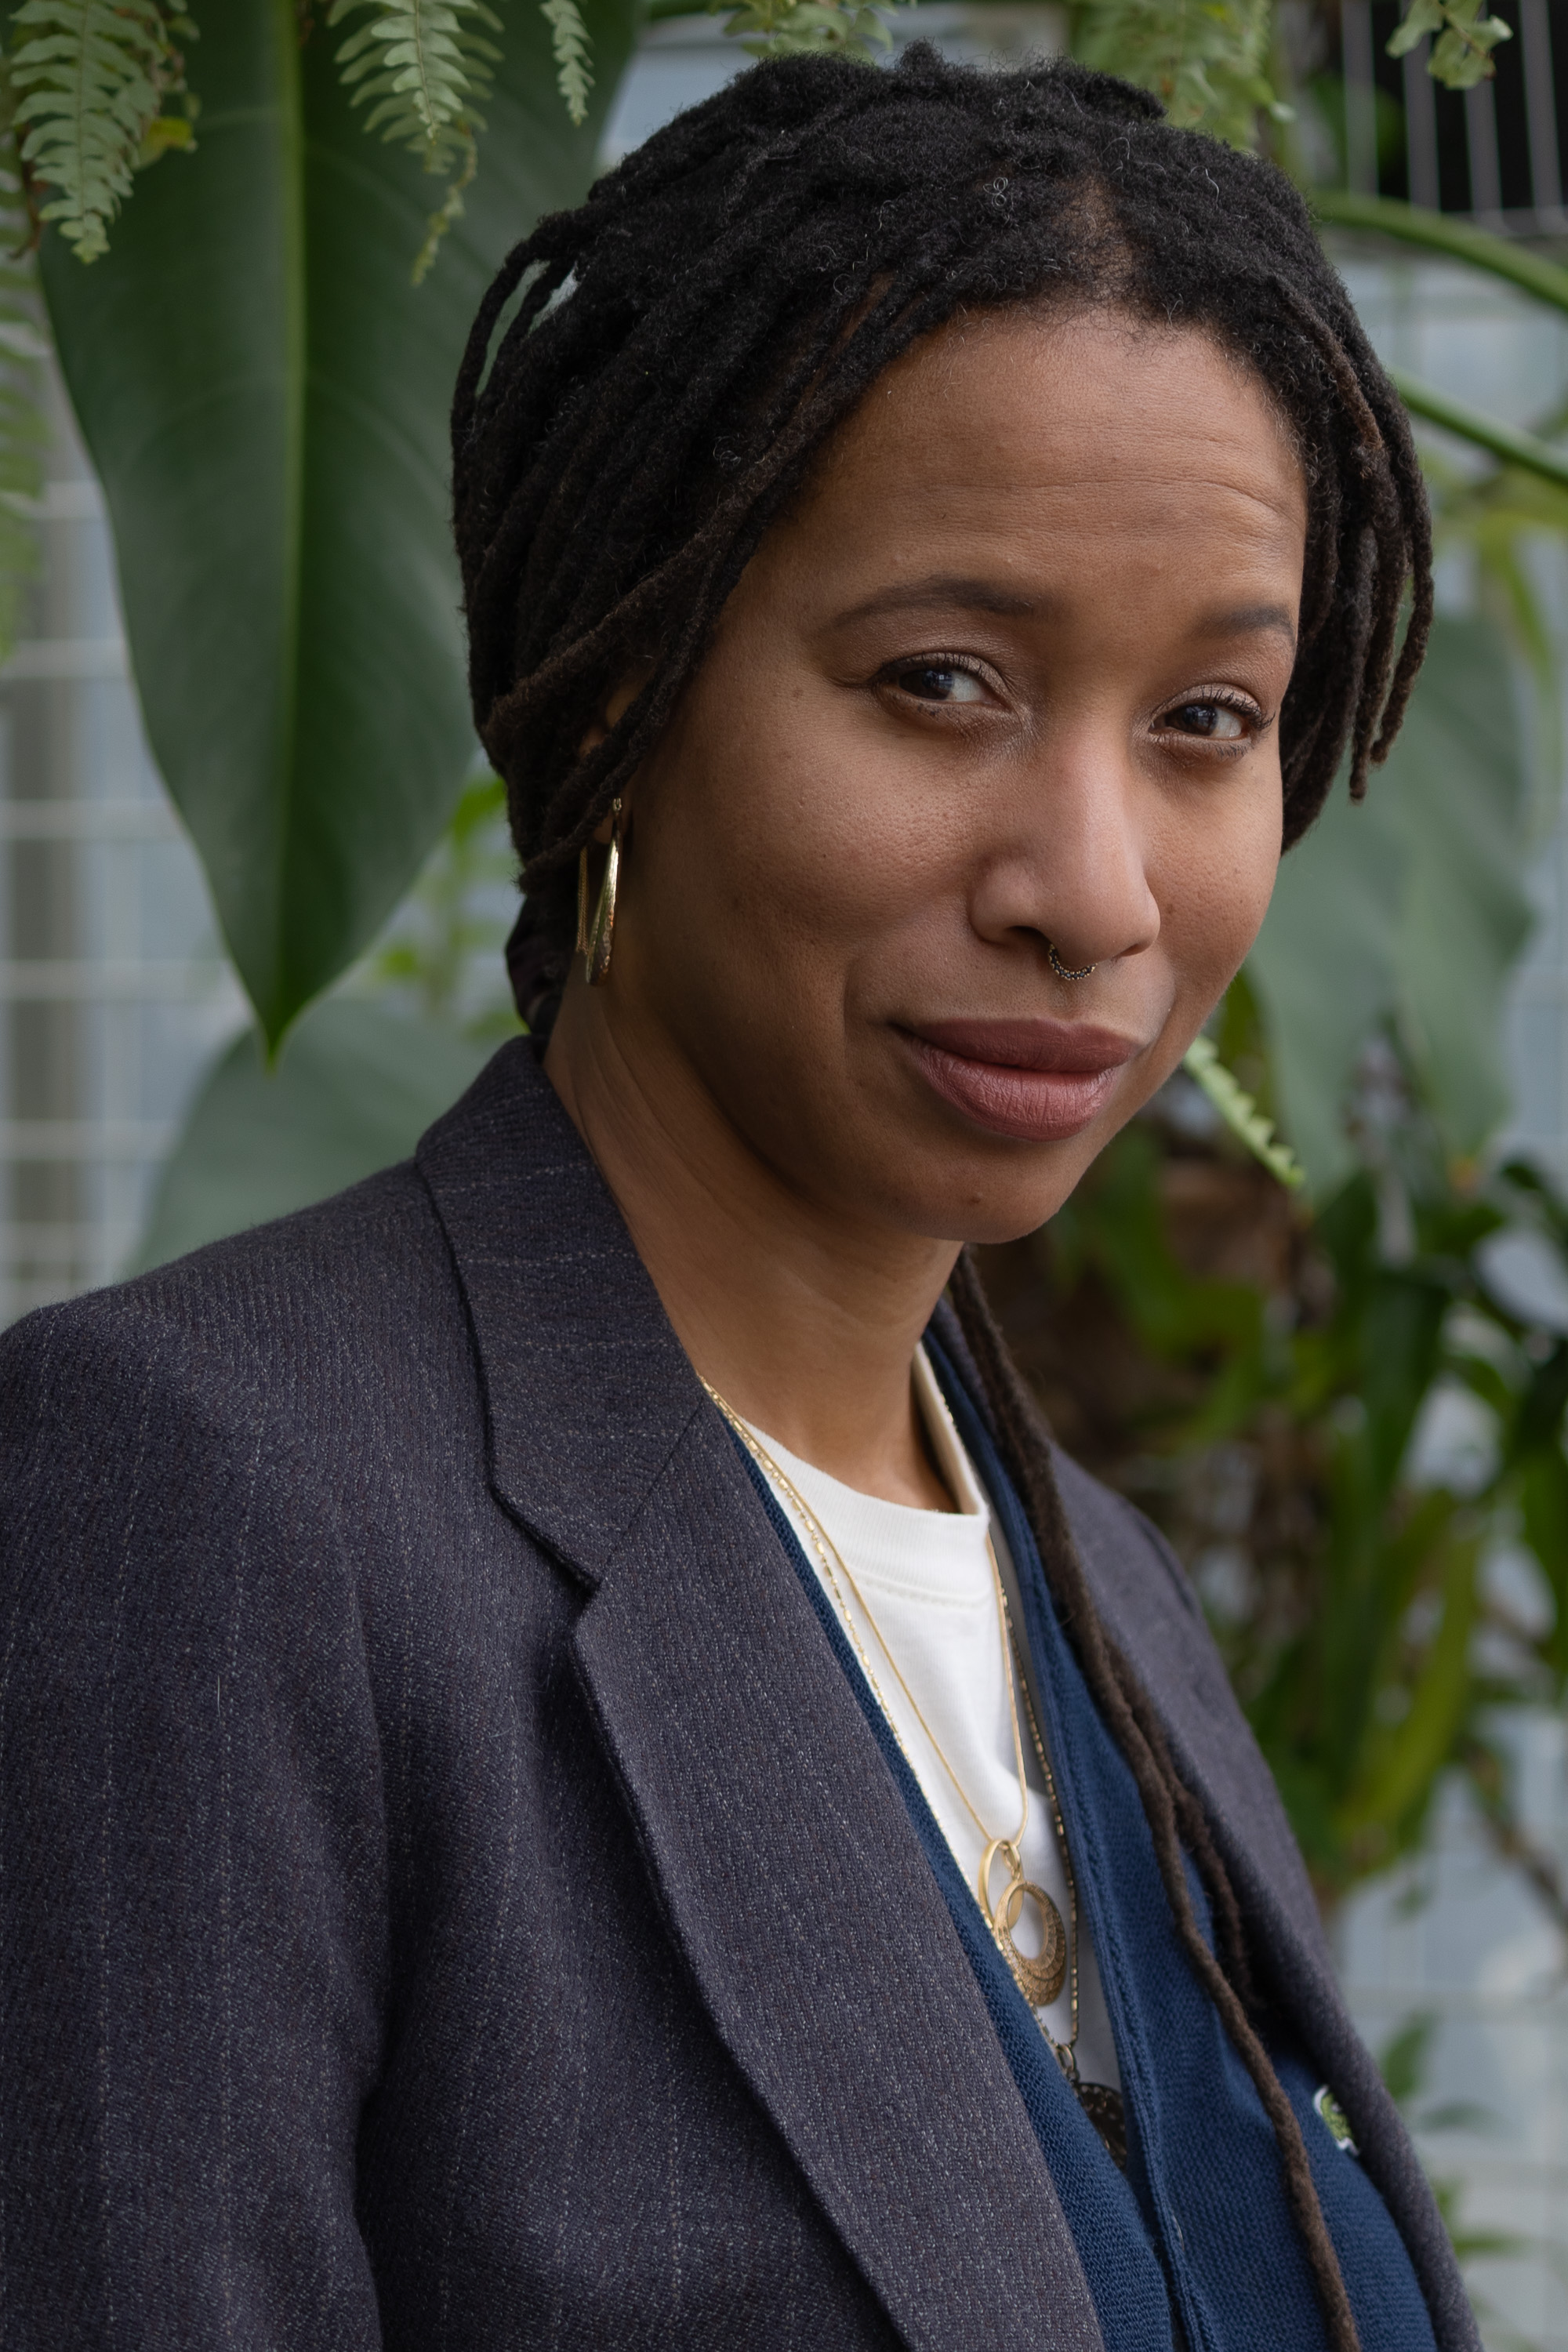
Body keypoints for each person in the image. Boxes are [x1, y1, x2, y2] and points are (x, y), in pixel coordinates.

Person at [0, 42, 1468, 2352]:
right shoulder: (218, 1503)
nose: (1095, 892)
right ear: (620, 691)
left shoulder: (1112, 1603)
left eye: (1207, 720)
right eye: (943, 682)